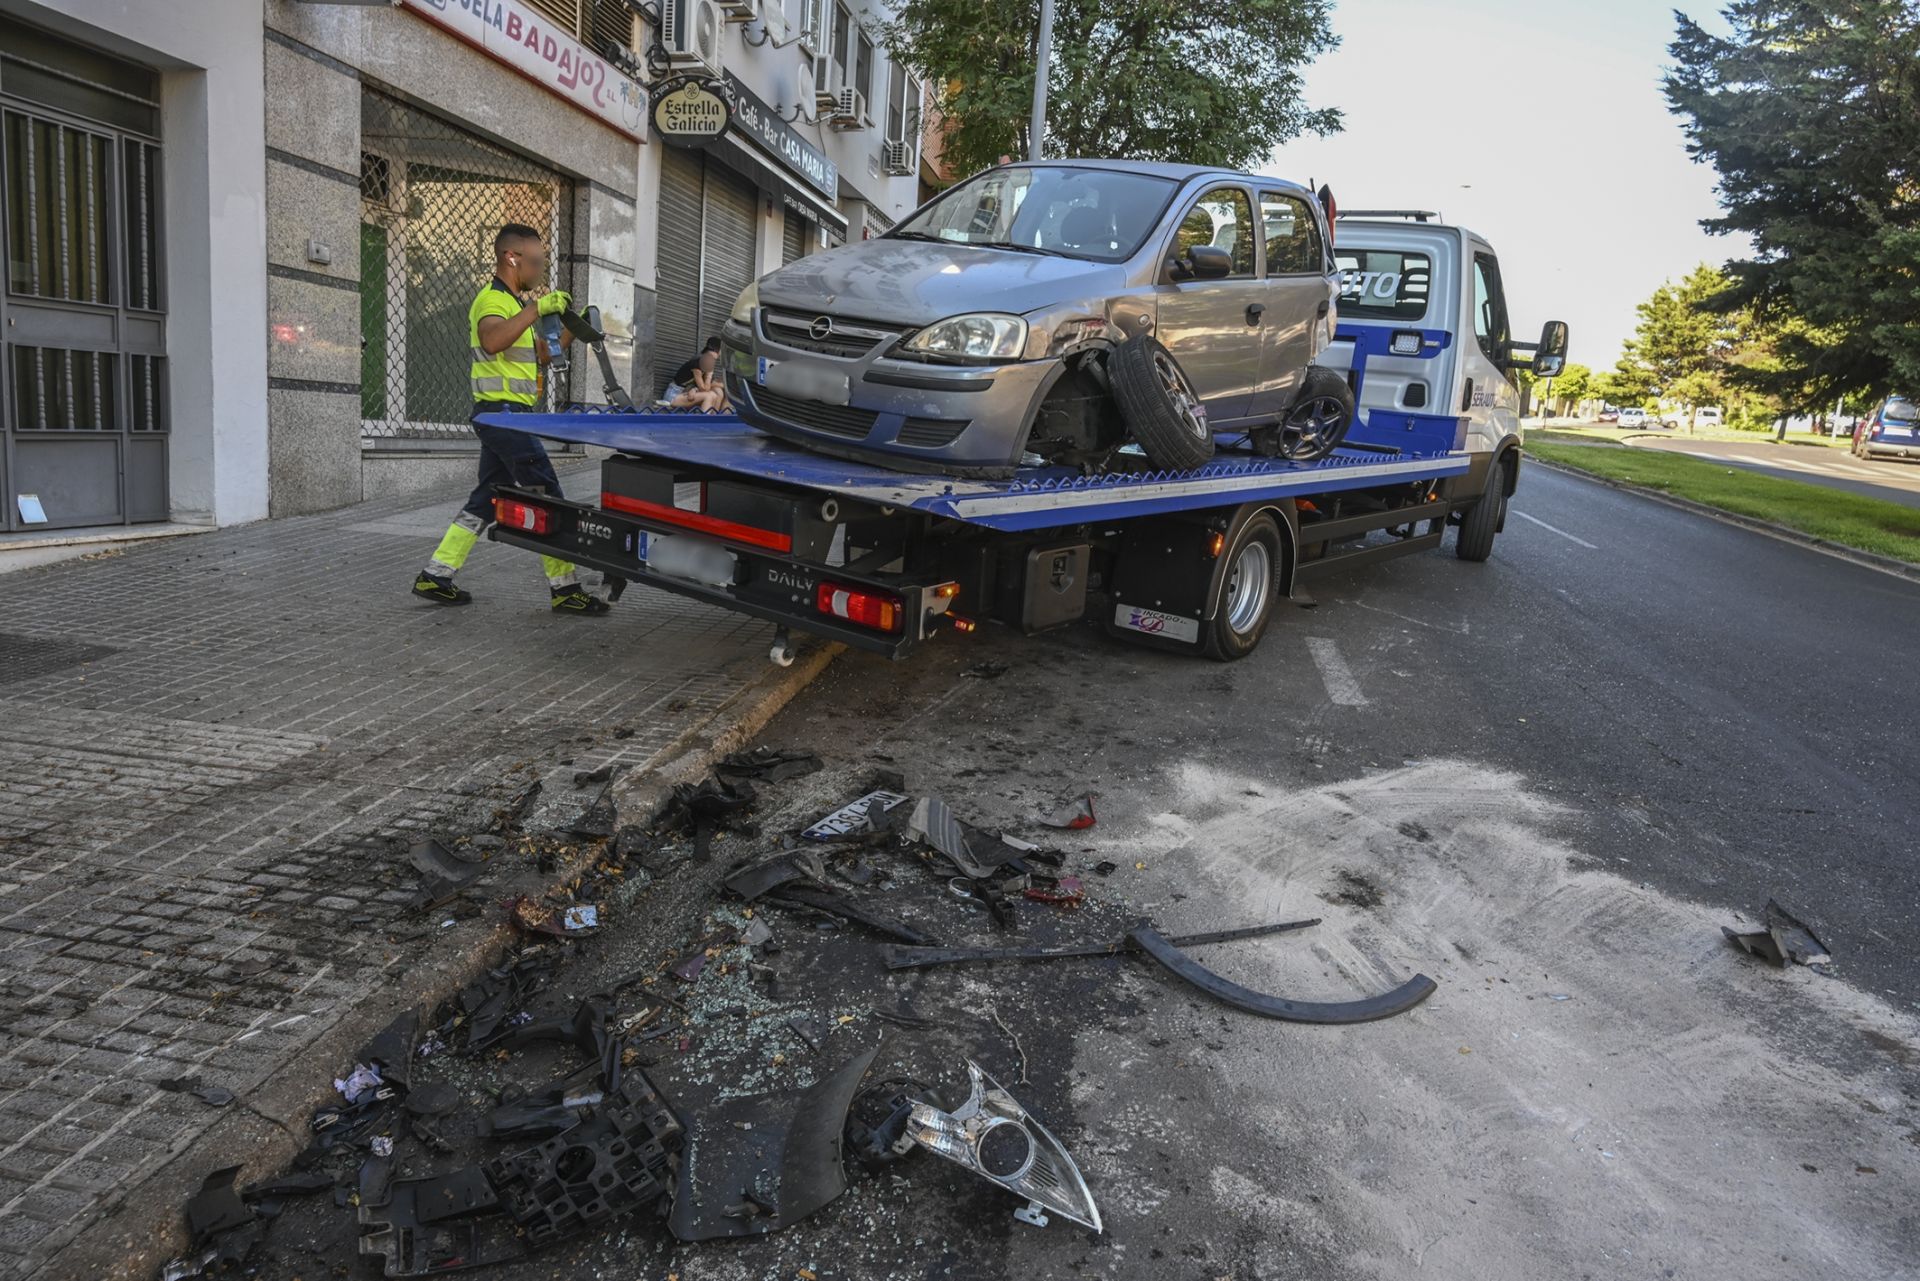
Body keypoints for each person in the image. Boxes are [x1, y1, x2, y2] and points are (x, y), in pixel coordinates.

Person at [411, 223, 609, 615]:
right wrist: (539, 307)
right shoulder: (492, 301)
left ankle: (437, 574)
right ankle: (565, 588)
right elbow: (492, 340)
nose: (539, 270)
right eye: (535, 262)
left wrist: (572, 325)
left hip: (507, 417)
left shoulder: (516, 306)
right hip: (503, 417)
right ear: (511, 257)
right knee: (549, 496)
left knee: (486, 499)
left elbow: (541, 354)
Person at [663, 337, 730, 413]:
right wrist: (709, 375)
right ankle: (704, 423)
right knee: (709, 396)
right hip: (674, 395)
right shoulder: (697, 362)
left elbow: (709, 384)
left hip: (687, 392)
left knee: (718, 392)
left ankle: (714, 419)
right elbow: (704, 388)